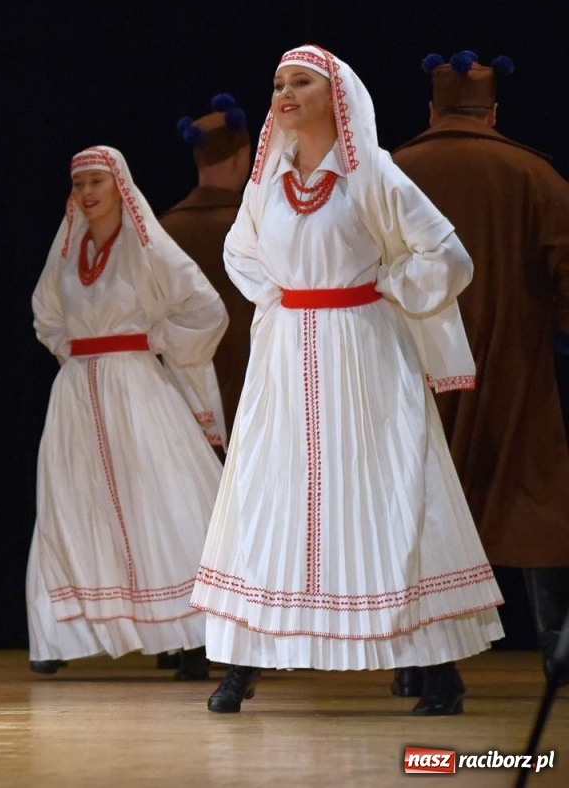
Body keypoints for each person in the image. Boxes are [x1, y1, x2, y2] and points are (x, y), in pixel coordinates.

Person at [191, 45, 504, 717]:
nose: (284, 91)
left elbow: (447, 255)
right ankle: (243, 662)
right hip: (286, 355)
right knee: (268, 494)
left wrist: (387, 286)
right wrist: (280, 295)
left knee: (388, 491)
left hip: (363, 351)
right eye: (277, 82)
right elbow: (239, 251)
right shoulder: (268, 179)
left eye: (300, 81)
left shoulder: (374, 176)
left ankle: (438, 670)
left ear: (336, 94)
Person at [391, 51, 569, 692]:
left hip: (413, 377)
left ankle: (420, 666)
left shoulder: (394, 173)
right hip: (513, 373)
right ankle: (556, 651)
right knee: (538, 505)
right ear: (494, 113)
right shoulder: (533, 173)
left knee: (416, 509)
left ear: (431, 111)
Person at [25, 146, 227, 680]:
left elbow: (208, 309)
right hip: (77, 393)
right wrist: (74, 353)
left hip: (136, 386)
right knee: (71, 505)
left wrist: (155, 339)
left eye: (97, 182)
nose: (88, 193)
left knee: (162, 501)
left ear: (120, 186)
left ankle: (193, 634)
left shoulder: (147, 248)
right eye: (80, 184)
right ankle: (60, 631)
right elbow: (46, 312)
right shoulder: (68, 250)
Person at [161, 95, 256, 432]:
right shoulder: (257, 225)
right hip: (253, 396)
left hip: (182, 400)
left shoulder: (162, 233)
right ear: (243, 154)